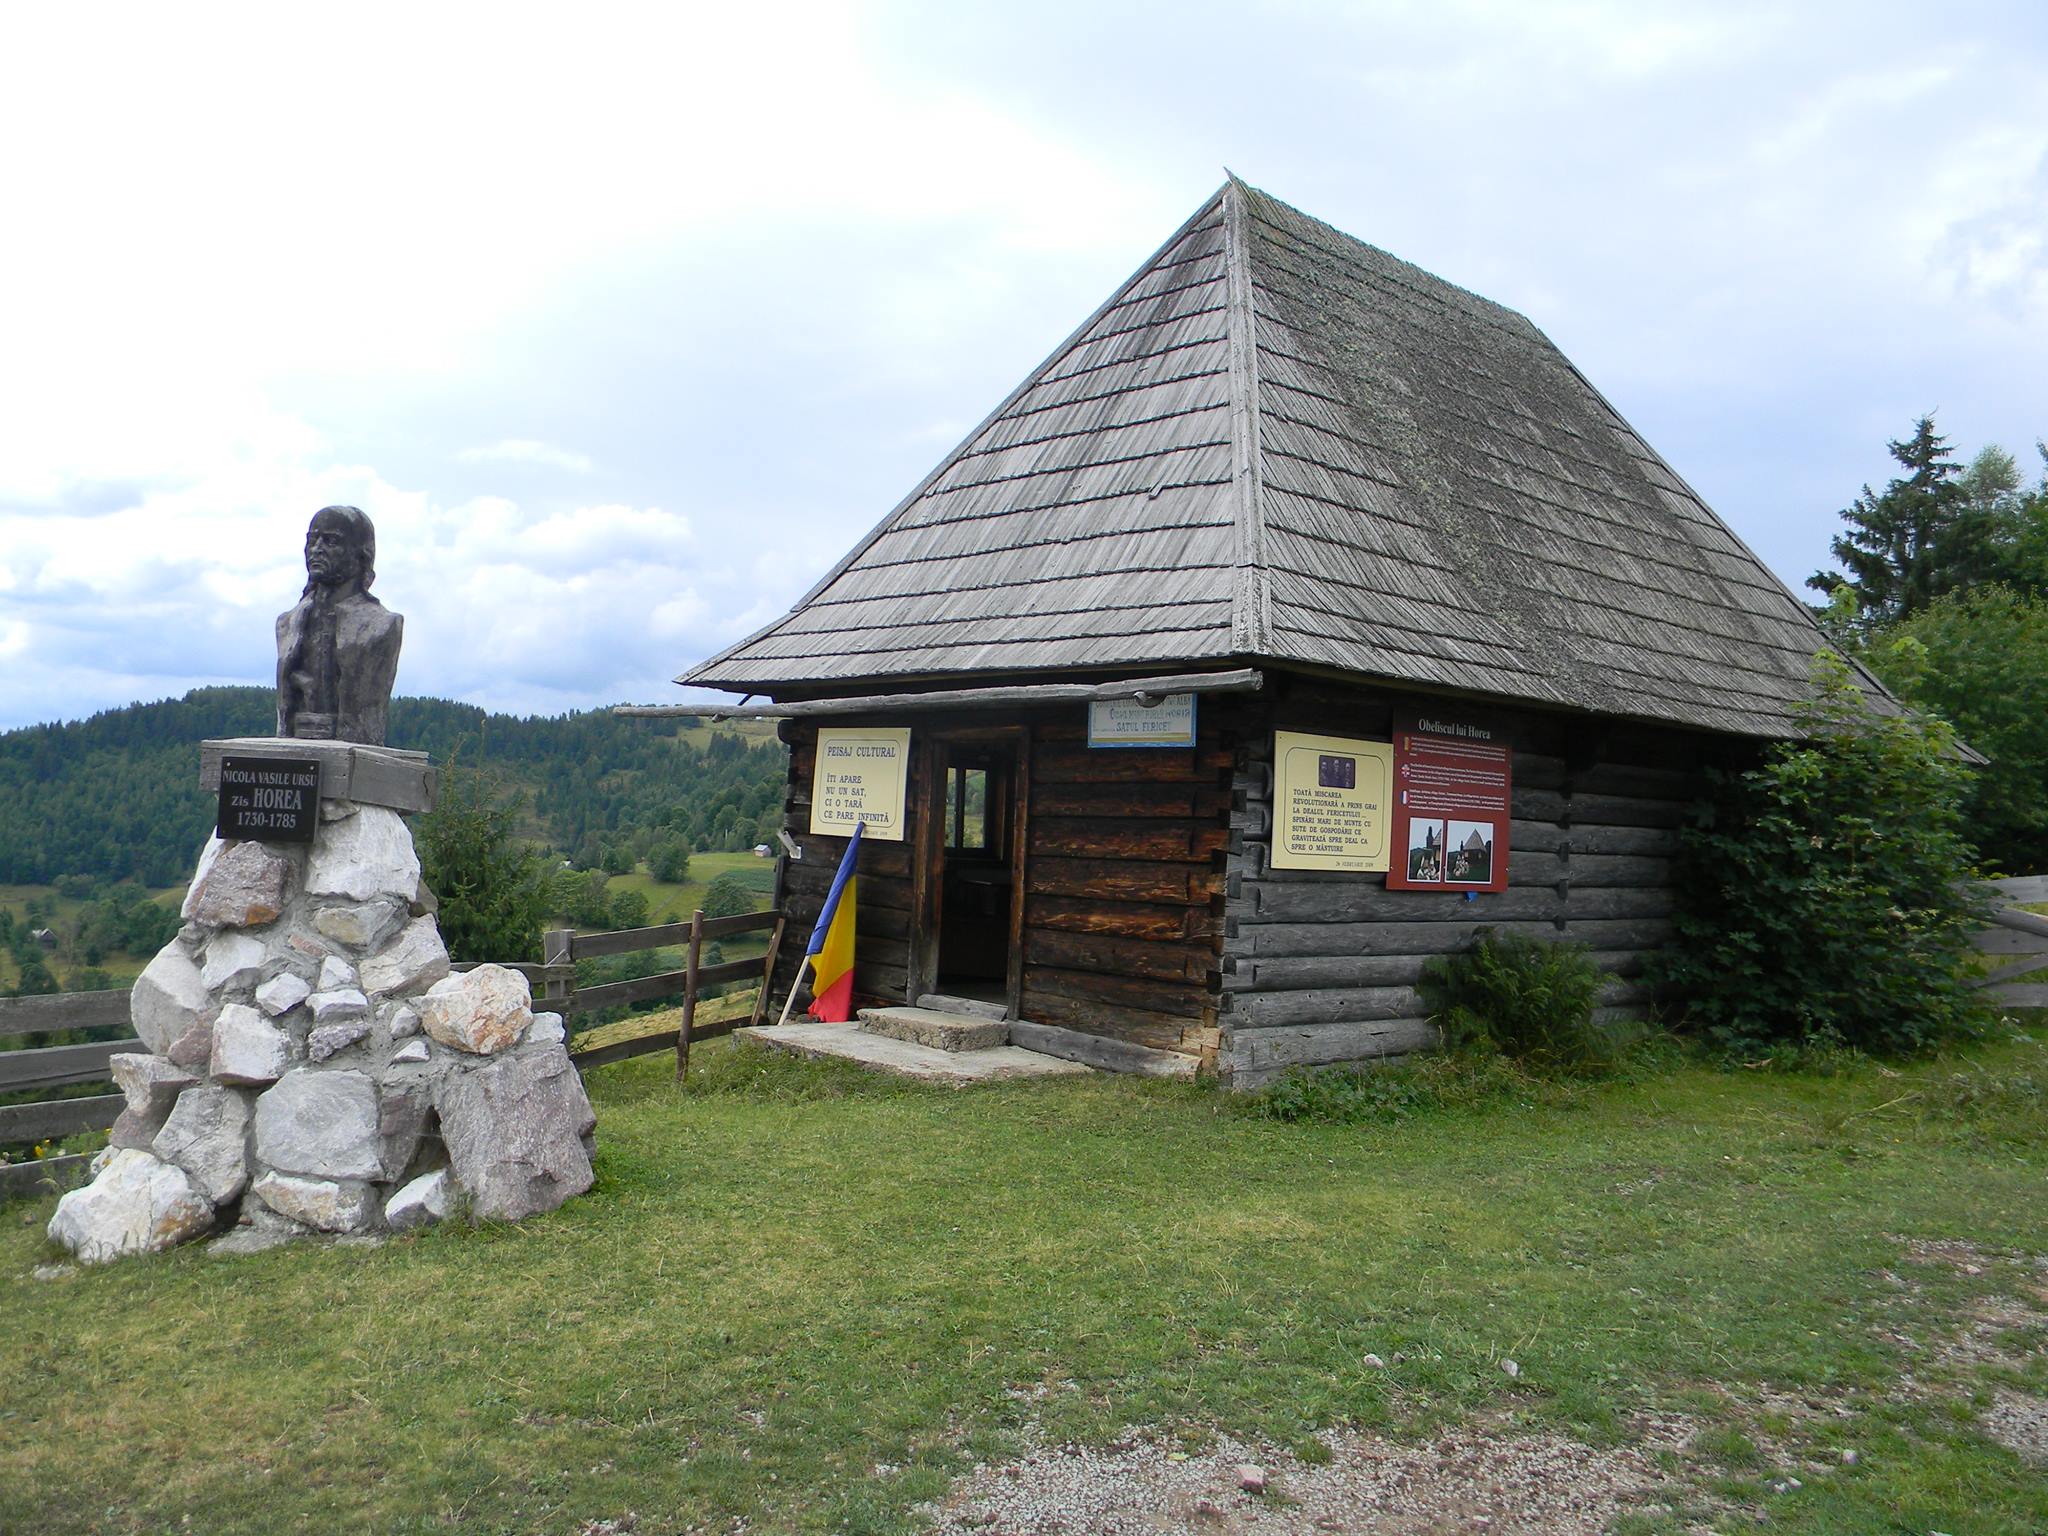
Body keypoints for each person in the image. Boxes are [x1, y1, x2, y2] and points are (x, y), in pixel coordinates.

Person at [275, 505, 403, 745]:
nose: (317, 550)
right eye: (312, 540)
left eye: (331, 541)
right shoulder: (287, 623)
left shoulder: (381, 626)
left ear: (360, 555)